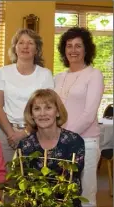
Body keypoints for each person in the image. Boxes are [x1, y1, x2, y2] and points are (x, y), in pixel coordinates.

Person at [54, 27, 104, 207]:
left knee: (85, 195)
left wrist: (63, 137)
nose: (73, 50)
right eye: (69, 46)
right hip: (59, 143)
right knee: (62, 192)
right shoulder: (58, 77)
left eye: (78, 46)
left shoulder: (94, 75)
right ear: (63, 49)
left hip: (86, 142)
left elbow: (89, 114)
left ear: (86, 49)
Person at [0, 28, 54, 163]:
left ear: (36, 49)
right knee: (6, 179)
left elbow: (48, 108)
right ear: (15, 47)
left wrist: (25, 132)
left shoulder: (45, 74)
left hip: (37, 132)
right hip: (6, 133)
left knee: (33, 178)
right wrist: (11, 134)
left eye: (30, 43)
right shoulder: (3, 72)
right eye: (21, 42)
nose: (25, 46)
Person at [18, 89, 85, 207]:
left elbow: (72, 182)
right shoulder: (24, 145)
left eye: (48, 108)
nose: (42, 113)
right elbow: (24, 183)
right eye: (37, 109)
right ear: (32, 115)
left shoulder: (74, 141)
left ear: (58, 112)